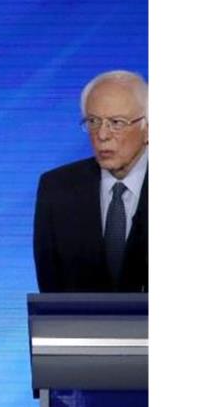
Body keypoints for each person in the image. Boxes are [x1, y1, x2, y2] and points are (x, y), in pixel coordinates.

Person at [33, 70, 148, 292]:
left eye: (116, 122)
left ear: (148, 128)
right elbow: (52, 296)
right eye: (93, 121)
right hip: (78, 327)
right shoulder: (56, 190)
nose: (102, 134)